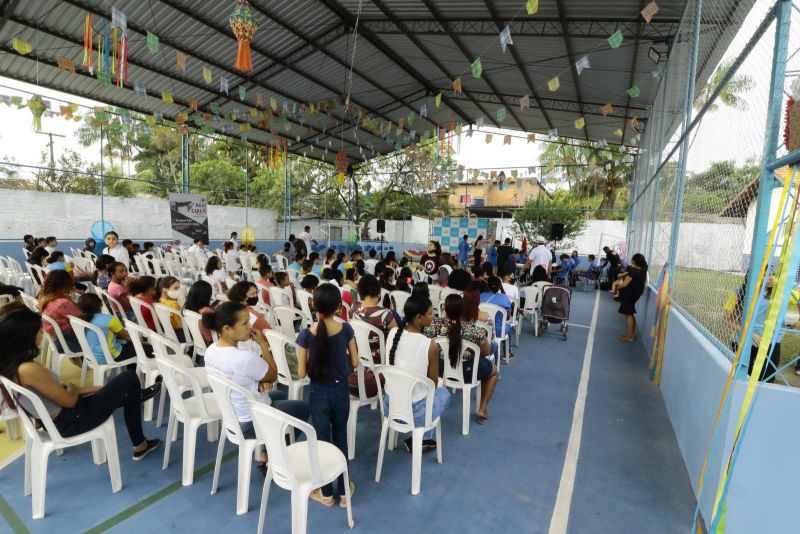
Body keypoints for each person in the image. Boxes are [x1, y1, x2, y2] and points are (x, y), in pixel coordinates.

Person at [0, 305, 161, 460]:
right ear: (24, 337)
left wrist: (98, 388)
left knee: (127, 392)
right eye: (39, 331)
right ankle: (139, 438)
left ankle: (139, 430)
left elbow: (61, 392)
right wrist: (70, 387)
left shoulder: (11, 366)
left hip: (63, 418)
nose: (42, 334)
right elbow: (69, 400)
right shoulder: (29, 369)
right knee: (129, 378)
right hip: (73, 419)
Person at [203, 301, 310, 474]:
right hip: (253, 422)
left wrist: (258, 382)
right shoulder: (244, 358)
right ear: (227, 329)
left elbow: (243, 376)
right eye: (244, 323)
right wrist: (263, 345)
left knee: (278, 396)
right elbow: (273, 375)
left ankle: (267, 451)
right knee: (304, 409)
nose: (250, 327)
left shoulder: (211, 350)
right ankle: (275, 456)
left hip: (233, 416)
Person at [296, 285, 359, 507]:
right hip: (340, 391)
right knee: (340, 437)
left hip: (317, 393)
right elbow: (355, 362)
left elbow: (301, 373)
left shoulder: (305, 334)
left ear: (314, 305)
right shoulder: (346, 330)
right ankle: (344, 492)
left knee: (322, 440)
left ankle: (325, 492)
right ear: (339, 307)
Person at [385, 296, 451, 453]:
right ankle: (422, 439)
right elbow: (432, 385)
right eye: (429, 313)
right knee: (445, 393)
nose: (432, 316)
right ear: (419, 318)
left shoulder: (393, 333)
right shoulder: (430, 345)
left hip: (389, 405)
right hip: (415, 414)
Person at [423, 294, 498, 423]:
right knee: (494, 371)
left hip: (439, 370)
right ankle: (483, 409)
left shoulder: (432, 326)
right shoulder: (474, 330)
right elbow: (486, 352)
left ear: (444, 308)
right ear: (462, 310)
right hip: (467, 372)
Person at [349, 275, 397, 397]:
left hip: (358, 355)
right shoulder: (385, 314)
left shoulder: (353, 308)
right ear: (378, 292)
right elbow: (397, 335)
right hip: (380, 359)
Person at [77, 293, 151, 363]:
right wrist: (143, 342)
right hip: (111, 356)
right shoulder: (109, 319)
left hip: (92, 357)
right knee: (148, 349)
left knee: (128, 344)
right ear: (101, 304)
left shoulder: (79, 320)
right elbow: (127, 336)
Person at [38, 270, 83, 353]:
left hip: (56, 339)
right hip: (67, 342)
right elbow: (81, 317)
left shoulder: (44, 297)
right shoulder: (62, 302)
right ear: (66, 285)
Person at [617, 253, 648, 343]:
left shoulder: (634, 271)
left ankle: (630, 337)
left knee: (629, 314)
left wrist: (617, 288)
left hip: (629, 295)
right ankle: (631, 334)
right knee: (630, 313)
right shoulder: (641, 271)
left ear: (634, 261)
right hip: (634, 295)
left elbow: (624, 284)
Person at [480, 277, 514, 356]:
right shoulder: (505, 298)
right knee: (509, 326)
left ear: (487, 286)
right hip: (498, 331)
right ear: (499, 286)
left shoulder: (480, 296)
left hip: (481, 330)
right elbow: (507, 317)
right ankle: (507, 353)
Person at [157, 276, 185, 341]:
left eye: (179, 288)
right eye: (175, 288)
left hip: (169, 334)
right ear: (165, 289)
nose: (178, 290)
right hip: (180, 334)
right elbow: (180, 325)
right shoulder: (173, 304)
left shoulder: (159, 301)